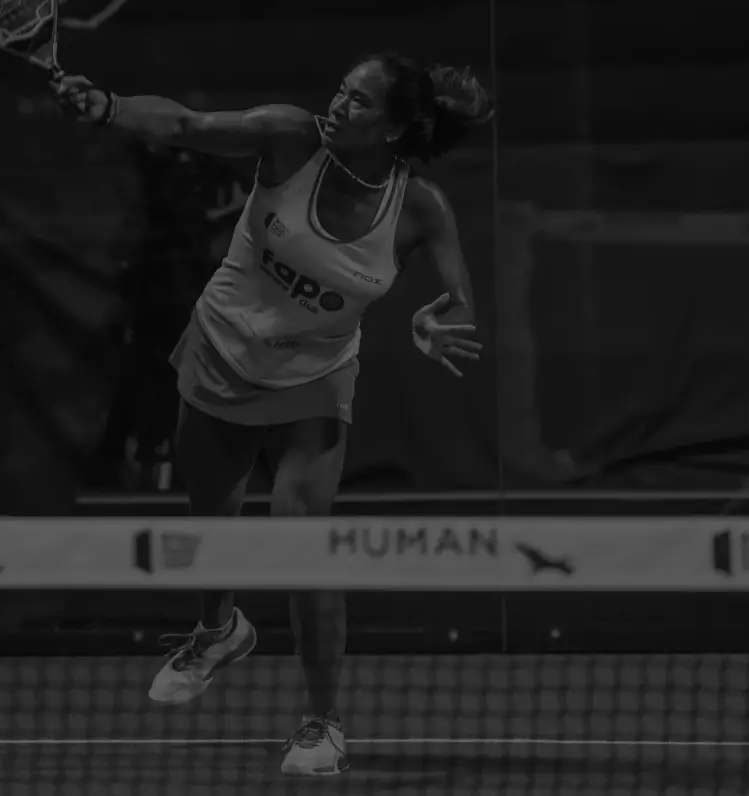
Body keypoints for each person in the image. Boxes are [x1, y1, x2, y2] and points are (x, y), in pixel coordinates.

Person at [54, 52, 491, 776]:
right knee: (211, 520)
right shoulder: (290, 139)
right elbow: (188, 123)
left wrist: (429, 322)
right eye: (340, 90)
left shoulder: (418, 208)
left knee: (302, 544)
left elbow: (458, 299)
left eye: (357, 101)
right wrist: (109, 106)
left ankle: (323, 722)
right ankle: (218, 629)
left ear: (393, 127)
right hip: (219, 352)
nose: (338, 104)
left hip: (314, 380)